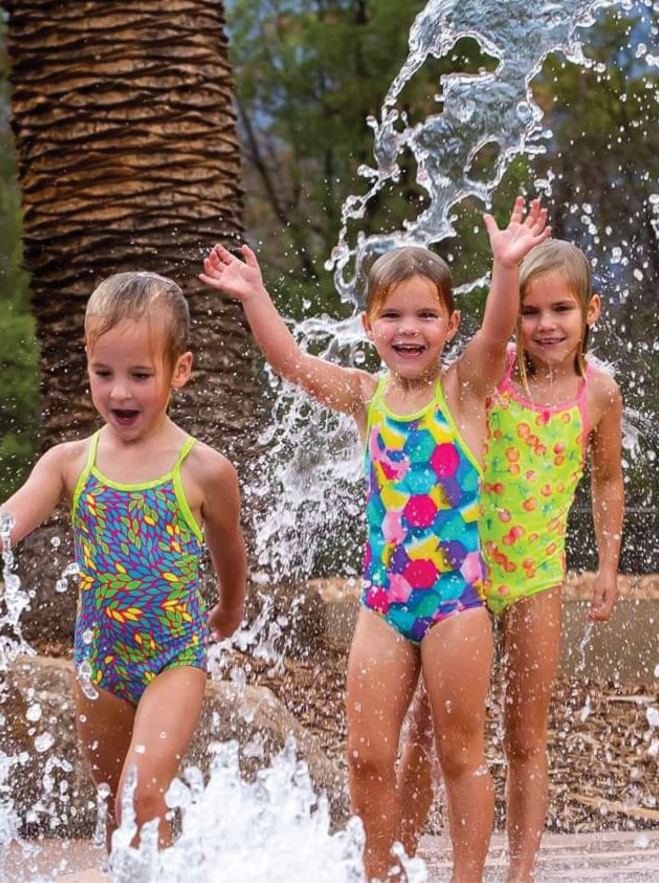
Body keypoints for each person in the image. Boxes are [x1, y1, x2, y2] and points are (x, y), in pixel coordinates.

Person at [200, 198, 550, 883]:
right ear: (369, 326)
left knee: (459, 754)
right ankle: (380, 874)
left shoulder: (467, 389)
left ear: (450, 324)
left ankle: (468, 878)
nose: (408, 328)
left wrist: (506, 267)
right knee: (365, 754)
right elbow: (292, 364)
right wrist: (254, 296)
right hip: (385, 607)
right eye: (392, 315)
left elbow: (498, 328)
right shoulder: (367, 396)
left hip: (455, 607)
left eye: (425, 315)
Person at [0, 272, 247, 850]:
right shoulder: (69, 462)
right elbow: (2, 527)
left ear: (180, 370)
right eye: (103, 373)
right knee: (117, 809)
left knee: (142, 793)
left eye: (140, 376)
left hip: (175, 656)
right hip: (99, 661)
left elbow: (229, 550)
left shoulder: (204, 469)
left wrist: (231, 608)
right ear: (87, 361)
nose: (119, 393)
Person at [397, 238, 624, 883]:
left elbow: (607, 481)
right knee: (427, 726)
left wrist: (607, 565)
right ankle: (403, 858)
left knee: (526, 736)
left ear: (591, 311)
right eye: (530, 311)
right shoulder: (492, 377)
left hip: (535, 578)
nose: (546, 325)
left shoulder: (599, 395)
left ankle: (519, 873)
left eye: (561, 309)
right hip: (458, 574)